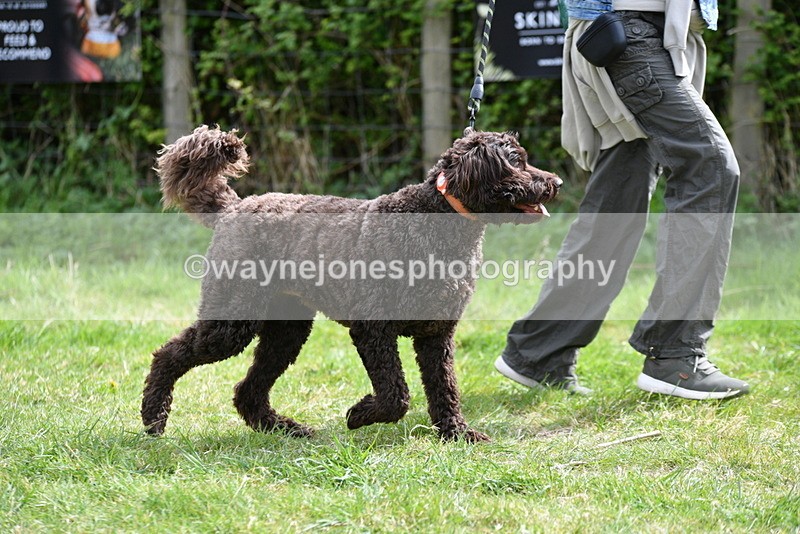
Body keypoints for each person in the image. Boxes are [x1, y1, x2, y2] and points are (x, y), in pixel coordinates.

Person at [494, 0, 751, 399]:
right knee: (711, 166)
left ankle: (538, 351)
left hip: (643, 33)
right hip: (628, 34)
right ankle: (674, 354)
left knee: (618, 199)